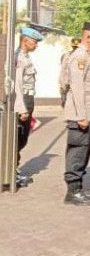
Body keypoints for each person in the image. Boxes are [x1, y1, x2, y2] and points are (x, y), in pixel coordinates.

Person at [63, 22, 90, 206]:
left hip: (87, 114)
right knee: (77, 150)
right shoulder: (80, 57)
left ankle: (79, 188)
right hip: (81, 115)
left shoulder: (88, 57)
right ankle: (72, 192)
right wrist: (81, 115)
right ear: (88, 36)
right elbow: (77, 88)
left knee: (84, 149)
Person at [14, 26, 43, 187]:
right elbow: (16, 84)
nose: (36, 45)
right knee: (17, 139)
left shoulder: (26, 57)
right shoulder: (18, 58)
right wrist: (21, 108)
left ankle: (13, 170)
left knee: (23, 139)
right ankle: (11, 172)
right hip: (23, 100)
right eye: (34, 41)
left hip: (28, 98)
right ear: (25, 41)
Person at [59, 37, 80, 108]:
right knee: (65, 99)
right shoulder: (66, 55)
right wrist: (62, 82)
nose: (75, 48)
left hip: (77, 81)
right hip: (67, 81)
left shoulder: (82, 56)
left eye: (77, 47)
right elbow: (63, 69)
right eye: (74, 46)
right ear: (72, 46)